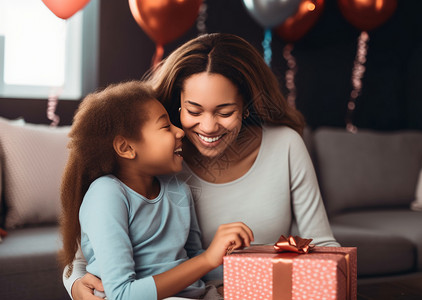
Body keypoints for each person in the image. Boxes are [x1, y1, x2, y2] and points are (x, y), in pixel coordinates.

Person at [64, 33, 340, 300]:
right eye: (194, 111)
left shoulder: (285, 146)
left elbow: (323, 246)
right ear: (178, 106)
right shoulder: (158, 162)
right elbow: (86, 259)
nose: (208, 127)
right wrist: (76, 286)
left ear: (245, 105)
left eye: (225, 112)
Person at [59, 80, 254, 300]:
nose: (179, 132)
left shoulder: (178, 188)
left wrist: (249, 264)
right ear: (126, 147)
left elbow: (193, 258)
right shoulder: (106, 195)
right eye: (165, 126)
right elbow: (122, 295)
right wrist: (208, 259)